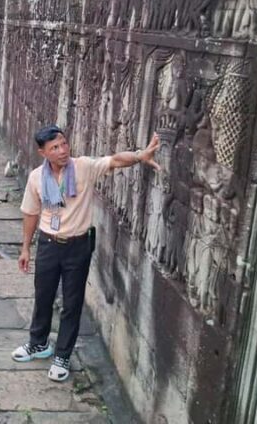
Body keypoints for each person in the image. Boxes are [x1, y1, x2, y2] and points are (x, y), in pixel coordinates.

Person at [12, 125, 160, 382]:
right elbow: (31, 213)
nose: (62, 151)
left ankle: (62, 355)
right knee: (43, 295)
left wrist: (139, 156)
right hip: (48, 243)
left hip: (77, 246)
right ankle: (38, 343)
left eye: (64, 144)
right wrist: (26, 247)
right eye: (54, 148)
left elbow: (114, 160)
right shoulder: (37, 177)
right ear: (43, 152)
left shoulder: (83, 167)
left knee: (72, 303)